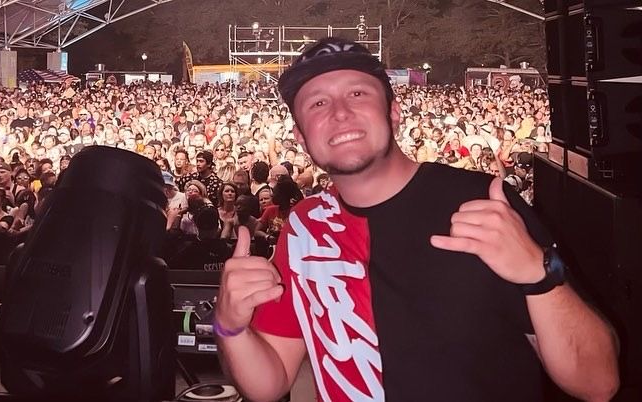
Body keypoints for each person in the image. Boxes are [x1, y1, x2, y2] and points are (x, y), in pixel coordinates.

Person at [215, 37, 619, 402]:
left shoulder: (483, 202)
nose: (339, 113)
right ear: (302, 138)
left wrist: (538, 274)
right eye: (318, 103)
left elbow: (598, 383)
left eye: (357, 93)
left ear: (393, 113)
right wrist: (230, 325)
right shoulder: (307, 227)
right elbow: (269, 384)